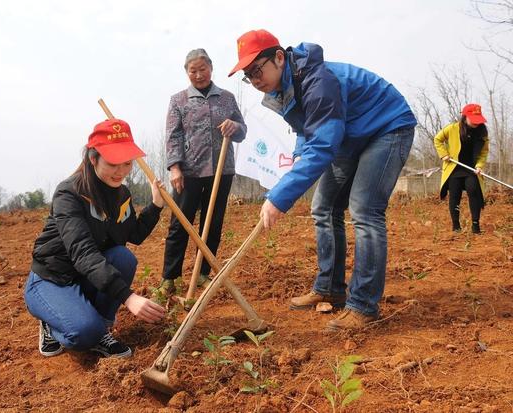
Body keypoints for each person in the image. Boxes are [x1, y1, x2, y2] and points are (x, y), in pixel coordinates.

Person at [228, 29, 417, 330]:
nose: (254, 79)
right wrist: (300, 152)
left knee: (364, 210)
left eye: (256, 69)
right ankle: (330, 288)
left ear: (279, 57)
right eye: (247, 75)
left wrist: (279, 197)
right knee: (324, 207)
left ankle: (364, 306)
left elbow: (325, 143)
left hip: (386, 127)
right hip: (349, 135)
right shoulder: (282, 89)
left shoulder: (319, 81)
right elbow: (308, 130)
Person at [24, 118, 167, 358]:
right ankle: (53, 322)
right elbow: (83, 252)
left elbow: (134, 234)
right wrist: (128, 297)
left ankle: (101, 330)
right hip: (53, 278)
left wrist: (155, 205)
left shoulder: (121, 194)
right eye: (113, 163)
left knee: (123, 258)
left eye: (127, 163)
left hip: (86, 276)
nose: (121, 171)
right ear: (93, 159)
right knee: (82, 333)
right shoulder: (69, 193)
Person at [156, 48, 247, 296]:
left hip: (221, 170)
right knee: (179, 224)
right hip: (189, 173)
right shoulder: (179, 100)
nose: (198, 74)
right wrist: (175, 167)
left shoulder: (227, 98)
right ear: (187, 73)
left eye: (202, 69)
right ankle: (169, 278)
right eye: (192, 70)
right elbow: (173, 136)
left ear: (211, 68)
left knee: (212, 223)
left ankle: (203, 273)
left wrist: (235, 125)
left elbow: (242, 131)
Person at [434, 103, 489, 234]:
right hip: (454, 168)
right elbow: (437, 139)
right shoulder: (452, 128)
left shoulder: (482, 133)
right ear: (465, 117)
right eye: (473, 119)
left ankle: (475, 226)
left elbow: (483, 153)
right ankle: (456, 226)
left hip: (471, 168)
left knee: (473, 190)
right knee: (455, 194)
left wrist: (479, 166)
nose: (476, 123)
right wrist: (444, 154)